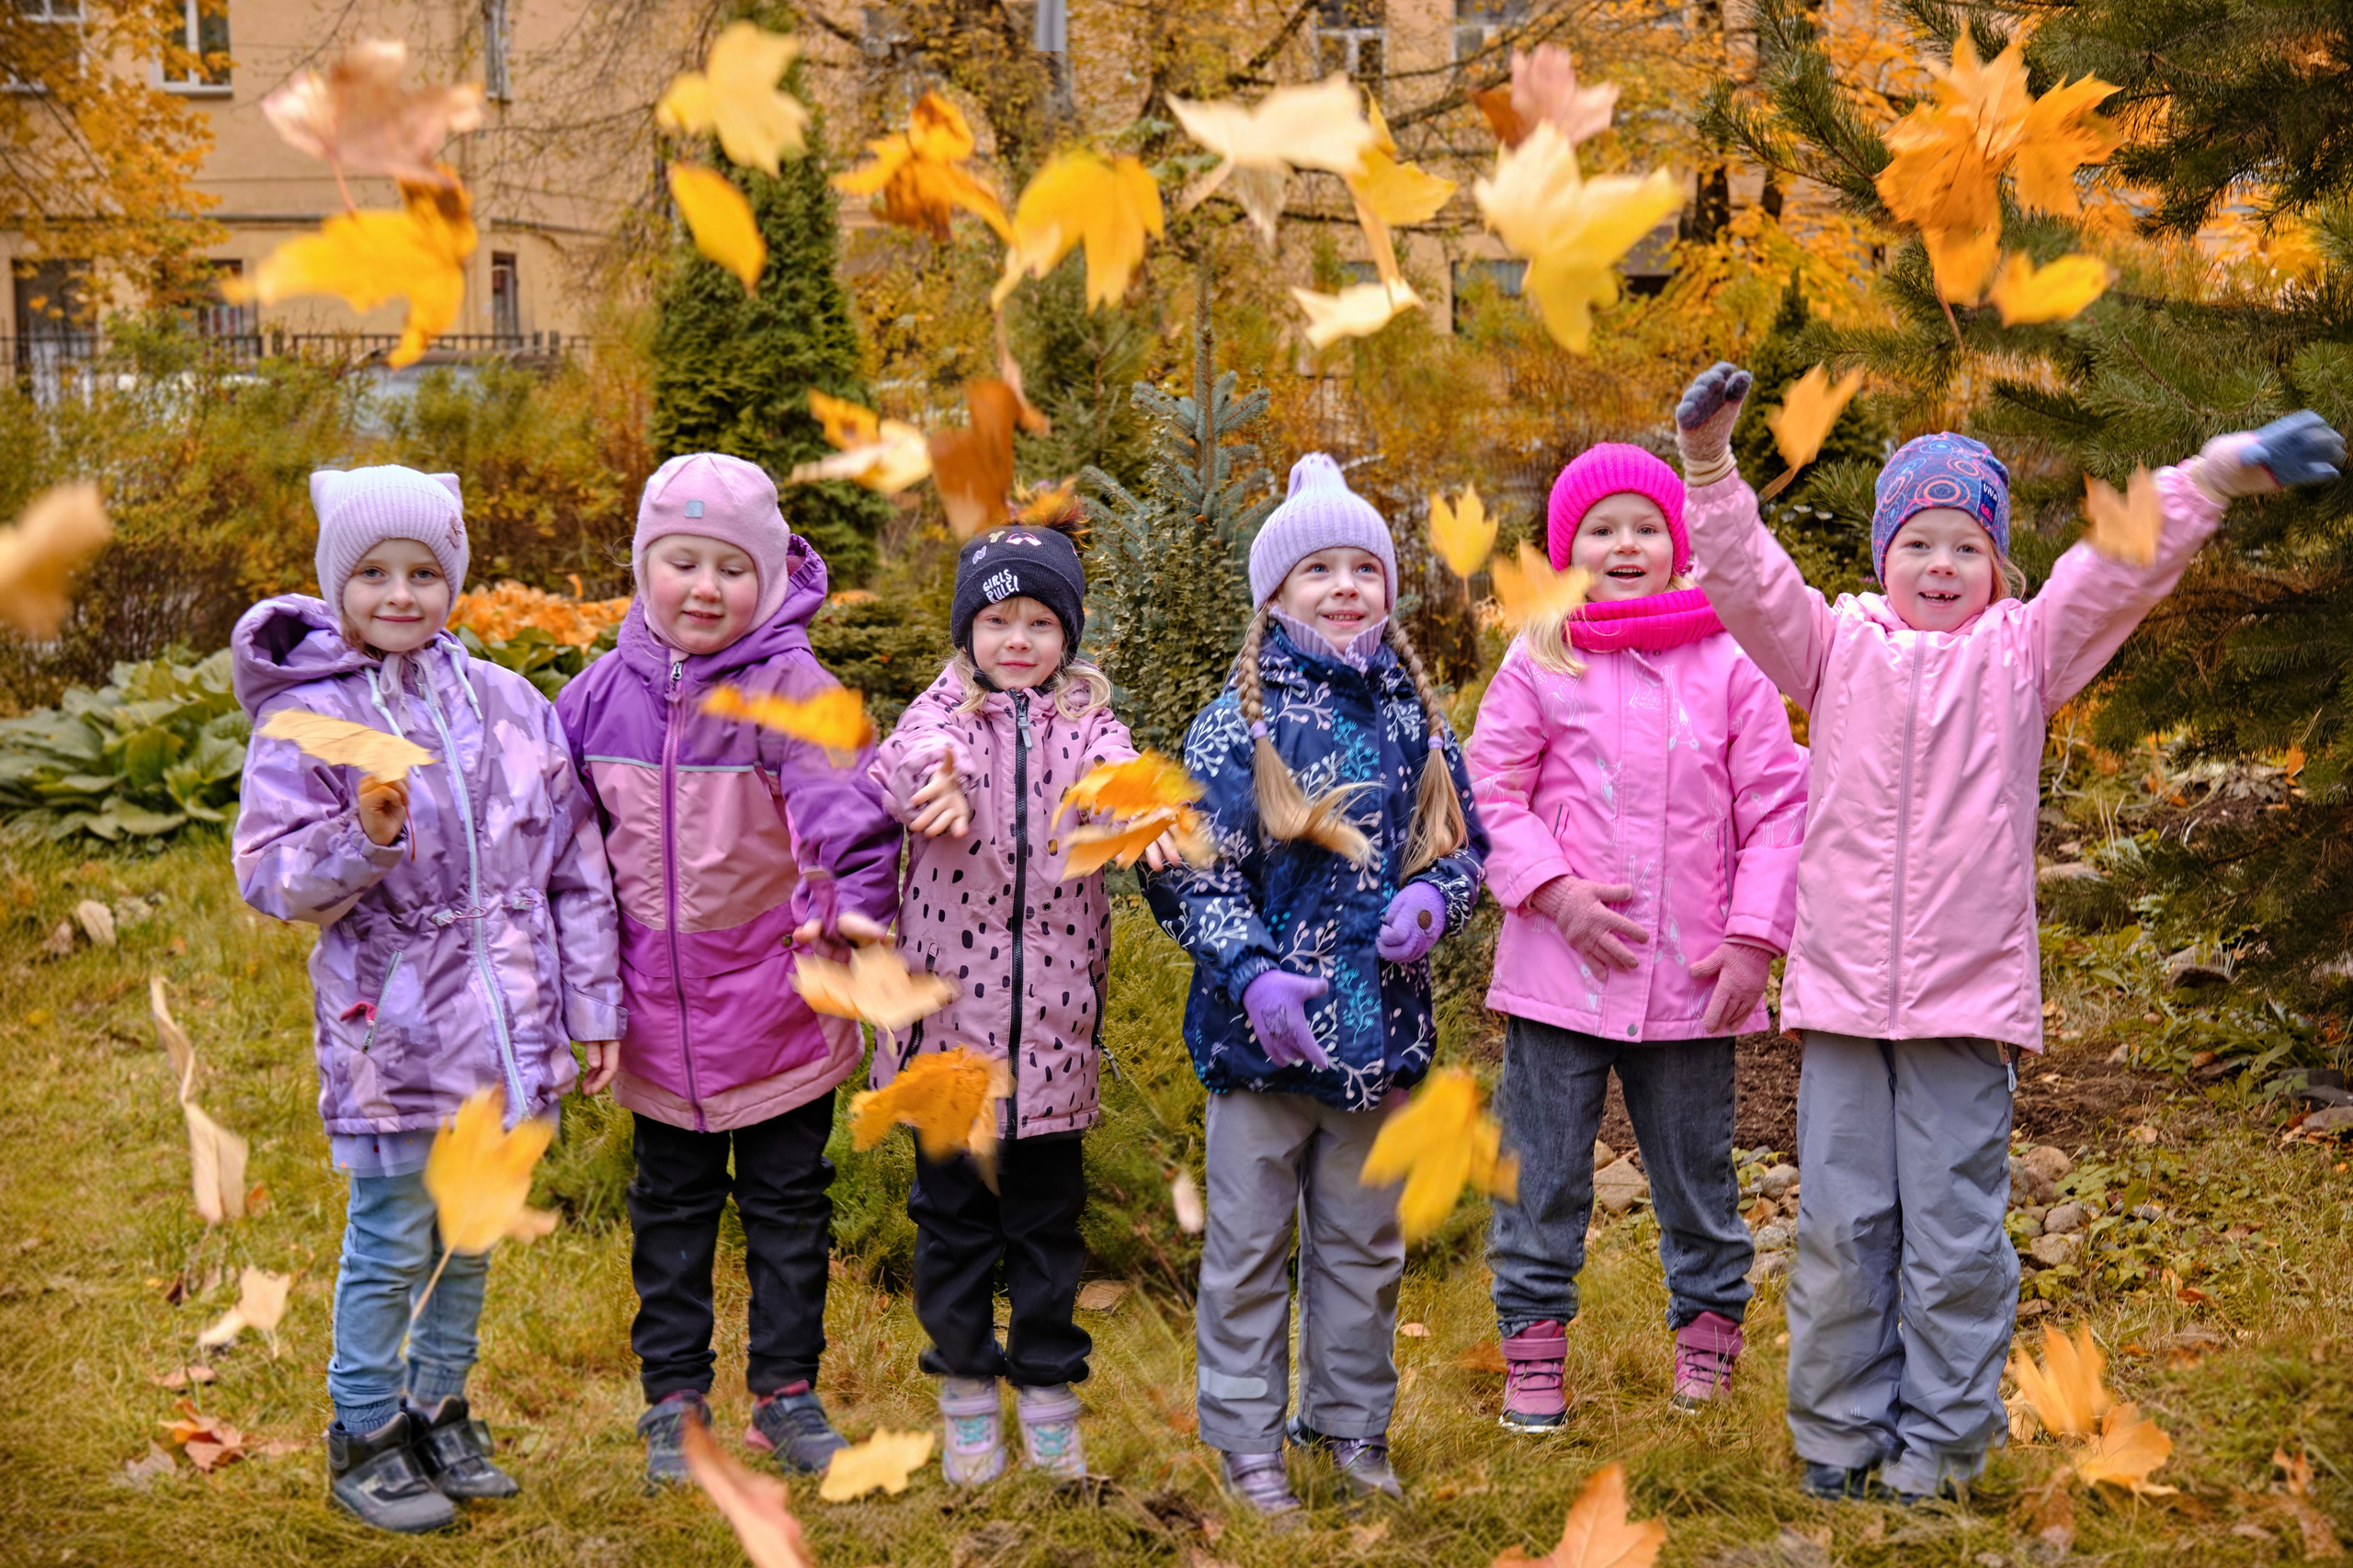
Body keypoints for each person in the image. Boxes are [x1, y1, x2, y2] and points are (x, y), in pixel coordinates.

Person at [1673, 361, 2345, 1502]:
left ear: (1997, 565)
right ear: (1883, 554)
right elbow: (1745, 581)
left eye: (1964, 546)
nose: (1941, 565)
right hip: (1838, 1003)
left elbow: (2115, 568)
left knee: (1952, 1243)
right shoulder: (1830, 651)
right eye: (1918, 541)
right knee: (1841, 1234)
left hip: (1963, 1001)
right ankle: (1837, 1442)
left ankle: (1938, 1451)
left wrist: (2215, 474)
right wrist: (1707, 466)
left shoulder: (2024, 653)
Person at [233, 465, 624, 1534]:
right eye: (373, 573)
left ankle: (440, 1404)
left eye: (422, 570)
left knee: (473, 1229)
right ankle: (363, 1424)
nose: (399, 594)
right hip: (394, 1040)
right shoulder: (311, 722)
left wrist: (591, 1009)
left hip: (511, 1036)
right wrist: (360, 836)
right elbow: (268, 876)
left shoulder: (510, 705)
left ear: (452, 578)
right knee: (397, 1231)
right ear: (336, 582)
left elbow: (573, 865)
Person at [1148, 454, 1488, 1515]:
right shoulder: (1236, 724)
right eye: (1319, 569)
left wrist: (1437, 902)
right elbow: (1187, 868)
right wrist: (1250, 974)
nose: (1346, 585)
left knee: (1362, 1246)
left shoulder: (1413, 719)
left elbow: (1463, 845)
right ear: (1274, 592)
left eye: (1364, 567)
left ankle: (1348, 1426)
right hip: (1259, 1055)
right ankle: (1245, 1437)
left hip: (1377, 1045)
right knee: (1248, 1248)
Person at [553, 453, 902, 1486]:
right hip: (655, 1016)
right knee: (670, 1210)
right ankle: (673, 1398)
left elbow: (850, 821)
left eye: (730, 567)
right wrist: (571, 988)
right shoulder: (591, 700)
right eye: (680, 561)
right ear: (641, 565)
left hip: (779, 1004)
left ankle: (785, 1394)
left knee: (790, 1206)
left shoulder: (792, 692)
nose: (704, 587)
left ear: (768, 575)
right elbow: (557, 848)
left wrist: (846, 915)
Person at [1466, 442, 1807, 1433]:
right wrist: (1553, 889)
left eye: (1646, 527)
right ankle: (1530, 1351)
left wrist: (1752, 940)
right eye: (1601, 529)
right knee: (1541, 1173)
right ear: (1568, 549)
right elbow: (1492, 792)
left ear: (1678, 540)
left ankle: (1706, 1341)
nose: (1626, 545)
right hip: (1558, 972)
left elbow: (1774, 807)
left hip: (1694, 980)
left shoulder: (1729, 657)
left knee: (1698, 1173)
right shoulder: (1543, 650)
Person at [869, 516, 1174, 1484]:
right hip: (947, 1043)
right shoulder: (943, 715)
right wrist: (940, 782)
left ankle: (1046, 1396)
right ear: (968, 632)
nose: (1016, 640)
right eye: (997, 619)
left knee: (1046, 1231)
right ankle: (964, 1392)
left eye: (1039, 621)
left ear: (1066, 637)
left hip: (1050, 1041)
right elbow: (904, 760)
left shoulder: (1086, 722)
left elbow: (1113, 780)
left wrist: (1140, 807)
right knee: (953, 1226)